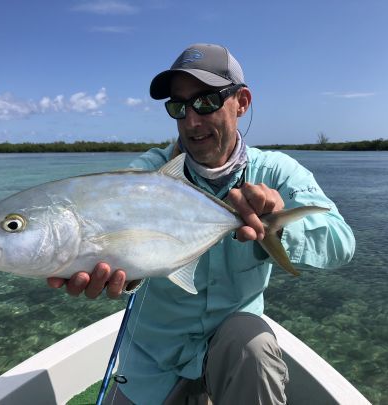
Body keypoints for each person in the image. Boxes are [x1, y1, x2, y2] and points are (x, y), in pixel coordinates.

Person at [47, 43, 355, 404]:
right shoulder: (146, 175)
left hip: (233, 353)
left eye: (206, 101)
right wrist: (122, 270)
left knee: (253, 344)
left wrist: (279, 228)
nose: (192, 121)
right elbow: (117, 238)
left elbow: (341, 242)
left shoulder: (277, 171)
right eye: (179, 107)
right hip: (152, 361)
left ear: (241, 101)